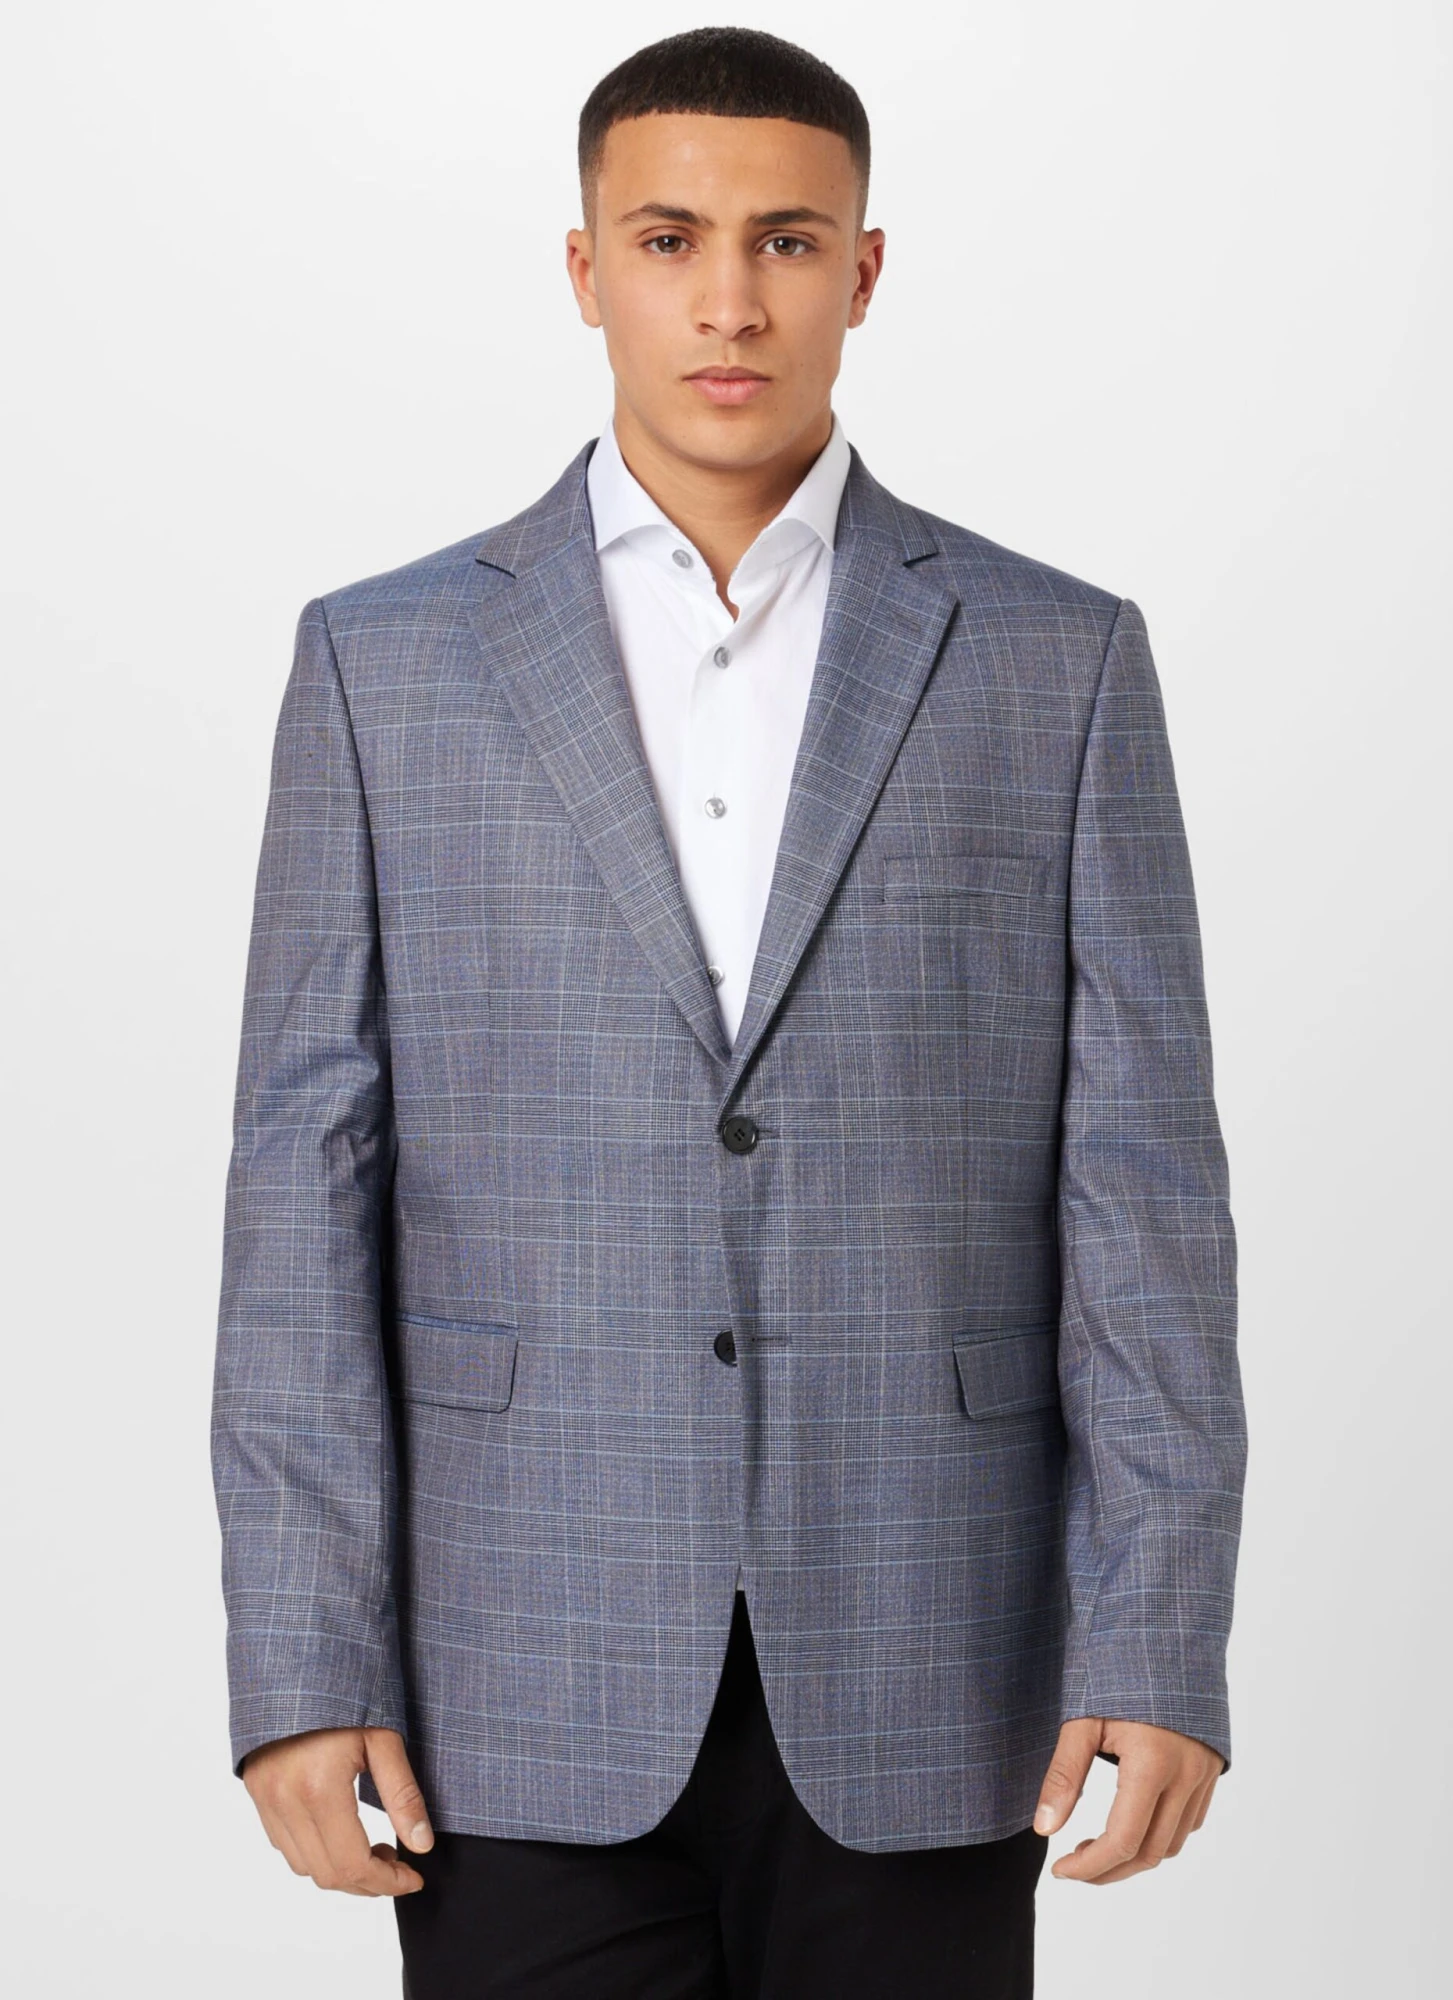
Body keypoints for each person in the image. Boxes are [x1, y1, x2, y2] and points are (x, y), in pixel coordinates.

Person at [211, 25, 1248, 1998]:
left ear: (864, 271)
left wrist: (1160, 1627)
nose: (729, 300)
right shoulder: (382, 662)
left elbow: (1143, 1184)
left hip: (931, 1649)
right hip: (512, 1661)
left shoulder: (1058, 661)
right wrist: (300, 1655)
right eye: (669, 238)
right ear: (584, 268)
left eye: (787, 241)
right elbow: (301, 1181)